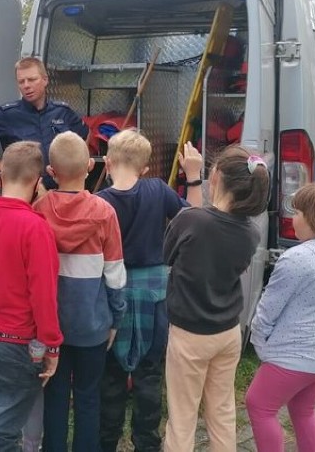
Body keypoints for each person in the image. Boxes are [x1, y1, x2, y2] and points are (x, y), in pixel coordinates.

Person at [95, 130, 203, 452]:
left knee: (111, 376)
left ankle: (105, 443)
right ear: (145, 169)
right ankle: (147, 444)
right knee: (150, 373)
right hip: (156, 295)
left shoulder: (99, 202)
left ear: (109, 162)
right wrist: (194, 177)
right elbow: (194, 220)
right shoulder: (158, 189)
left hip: (113, 294)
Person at [162, 146, 270, 452]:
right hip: (227, 333)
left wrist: (191, 177)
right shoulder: (251, 233)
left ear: (217, 177)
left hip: (189, 335)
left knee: (182, 416)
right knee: (222, 411)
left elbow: (167, 253)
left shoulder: (191, 221)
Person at [0, 141, 63, 452]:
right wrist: (52, 345)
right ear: (37, 182)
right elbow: (43, 294)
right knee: (4, 431)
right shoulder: (36, 228)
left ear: (0, 178)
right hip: (16, 342)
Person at [246, 183, 315, 452]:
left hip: (296, 355)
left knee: (259, 405)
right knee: (303, 409)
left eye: (298, 213)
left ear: (314, 219)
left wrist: (261, 346)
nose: (292, 218)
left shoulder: (296, 259)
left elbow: (266, 310)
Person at [30, 131, 127, 452]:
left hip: (50, 327)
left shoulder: (39, 210)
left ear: (51, 172)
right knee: (88, 397)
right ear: (89, 165)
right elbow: (114, 272)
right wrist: (115, 317)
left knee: (54, 397)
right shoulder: (104, 212)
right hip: (93, 325)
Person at [0, 56, 88, 188]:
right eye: (21, 81)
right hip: (23, 192)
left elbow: (86, 135)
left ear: (45, 80)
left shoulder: (63, 111)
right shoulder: (8, 114)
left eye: (32, 80)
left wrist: (80, 166)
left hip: (58, 191)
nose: (26, 86)